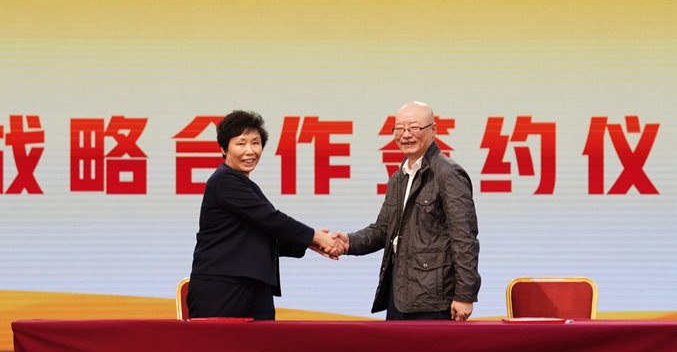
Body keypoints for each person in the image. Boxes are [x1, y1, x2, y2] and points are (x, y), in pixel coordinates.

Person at [333, 102, 480, 320]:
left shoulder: (448, 174)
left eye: (414, 128)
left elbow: (464, 238)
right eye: (400, 129)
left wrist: (465, 295)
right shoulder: (398, 179)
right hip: (399, 295)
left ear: (433, 130)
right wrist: (348, 242)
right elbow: (383, 230)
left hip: (434, 299)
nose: (406, 135)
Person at [187, 110, 339, 320]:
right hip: (222, 288)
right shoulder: (224, 181)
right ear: (223, 148)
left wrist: (310, 243)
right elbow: (271, 219)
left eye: (255, 143)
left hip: (254, 287)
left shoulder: (246, 185)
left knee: (265, 342)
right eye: (241, 143)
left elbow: (261, 234)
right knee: (222, 343)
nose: (250, 151)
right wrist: (314, 236)